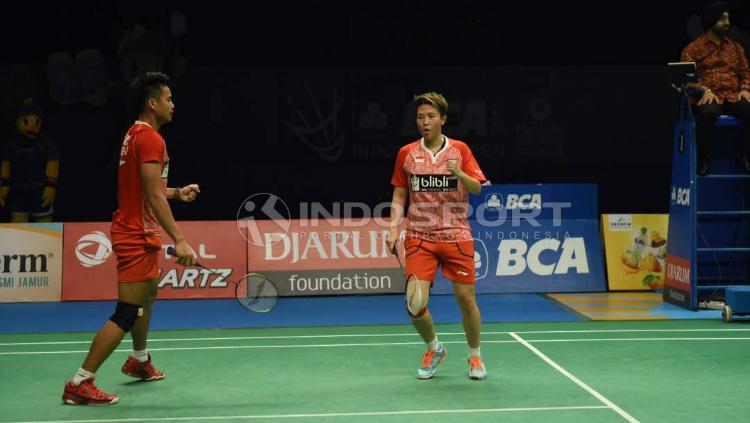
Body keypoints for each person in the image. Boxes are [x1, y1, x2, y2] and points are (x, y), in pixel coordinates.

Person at [62, 72, 200, 405]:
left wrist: (176, 193)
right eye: (167, 98)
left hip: (142, 231)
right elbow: (152, 197)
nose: (172, 104)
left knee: (148, 296)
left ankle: (139, 361)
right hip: (135, 235)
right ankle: (80, 382)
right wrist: (180, 239)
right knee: (127, 312)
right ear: (152, 104)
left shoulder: (135, 135)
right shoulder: (151, 139)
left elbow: (147, 189)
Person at [386, 91, 488, 380]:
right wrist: (393, 227)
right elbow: (399, 193)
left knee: (466, 300)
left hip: (456, 235)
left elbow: (478, 188)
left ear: (442, 119)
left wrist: (460, 174)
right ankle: (434, 347)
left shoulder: (460, 150)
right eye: (420, 117)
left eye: (431, 116)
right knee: (415, 304)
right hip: (419, 236)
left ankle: (475, 357)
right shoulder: (407, 153)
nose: (425, 122)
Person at [682, 1, 750, 175]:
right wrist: (703, 89)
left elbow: (745, 72)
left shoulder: (735, 48)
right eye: (722, 19)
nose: (727, 23)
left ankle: (743, 154)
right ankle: (702, 158)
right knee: (707, 114)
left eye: (728, 19)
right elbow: (687, 78)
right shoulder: (693, 49)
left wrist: (745, 89)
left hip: (734, 95)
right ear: (711, 21)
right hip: (710, 96)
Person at [0, 98, 59, 222]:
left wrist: (51, 185)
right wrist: (4, 184)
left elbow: (53, 161)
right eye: (26, 121)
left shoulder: (45, 143)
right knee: (18, 223)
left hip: (40, 189)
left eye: (37, 122)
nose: (33, 127)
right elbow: (6, 164)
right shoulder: (11, 144)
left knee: (45, 223)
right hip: (18, 190)